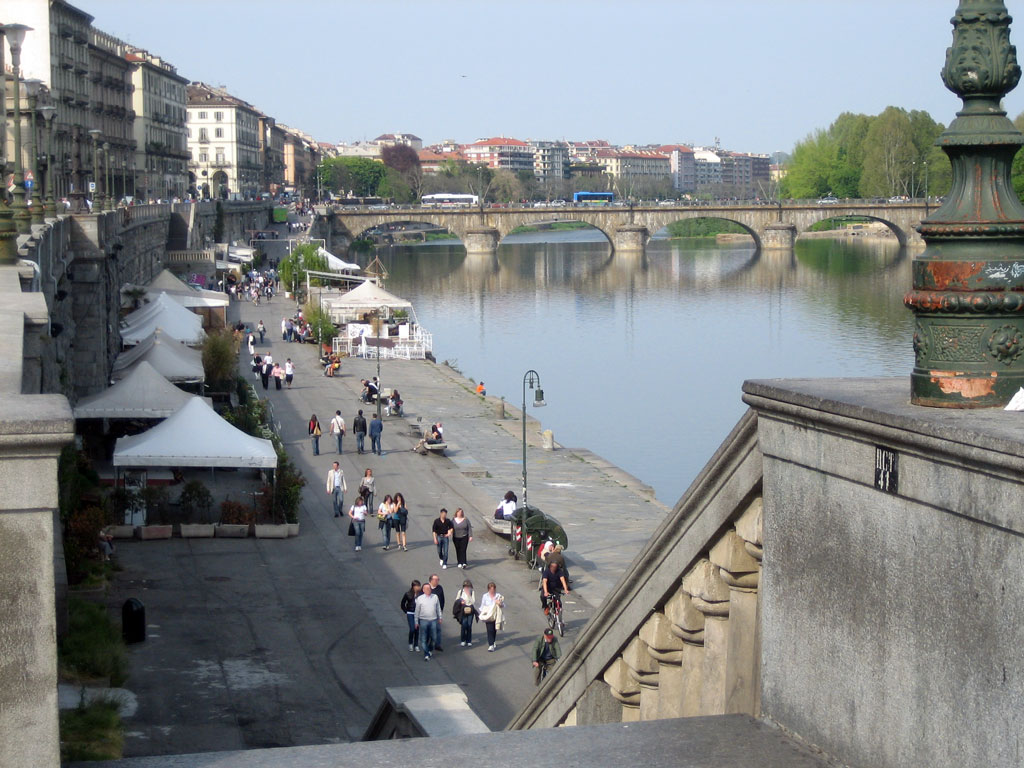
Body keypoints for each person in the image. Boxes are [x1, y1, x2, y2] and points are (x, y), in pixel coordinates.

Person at [415, 583, 442, 661]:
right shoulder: (420, 599)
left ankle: (429, 649)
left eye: (429, 588)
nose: (428, 590)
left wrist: (440, 617)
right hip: (423, 620)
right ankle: (426, 654)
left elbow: (438, 608)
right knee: (424, 638)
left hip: (433, 620)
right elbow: (417, 611)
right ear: (423, 590)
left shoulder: (435, 597)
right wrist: (416, 621)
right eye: (426, 589)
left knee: (434, 637)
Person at [478, 582, 505, 651]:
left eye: (494, 590)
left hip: (495, 615)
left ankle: (493, 641)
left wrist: (500, 603)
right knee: (489, 629)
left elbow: (503, 605)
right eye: (491, 590)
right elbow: (482, 605)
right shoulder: (485, 596)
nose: (492, 591)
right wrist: (481, 614)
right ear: (488, 589)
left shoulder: (498, 596)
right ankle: (491, 645)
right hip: (488, 615)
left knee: (494, 630)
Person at [452, 579, 477, 647]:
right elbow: (457, 600)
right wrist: (461, 601)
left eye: (468, 586)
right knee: (464, 625)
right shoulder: (460, 592)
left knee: (469, 625)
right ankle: (463, 640)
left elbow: (473, 602)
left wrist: (469, 595)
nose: (466, 588)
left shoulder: (472, 592)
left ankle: (469, 641)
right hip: (463, 610)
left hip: (470, 610)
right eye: (465, 586)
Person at [427, 573, 446, 651]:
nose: (437, 581)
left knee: (438, 629)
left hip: (437, 613)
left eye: (438, 580)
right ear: (431, 580)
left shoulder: (439, 588)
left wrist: (440, 610)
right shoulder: (426, 588)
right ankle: (428, 643)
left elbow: (442, 600)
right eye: (436, 580)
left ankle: (437, 644)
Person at [401, 580, 422, 652]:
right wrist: (406, 611)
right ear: (414, 586)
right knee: (412, 628)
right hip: (410, 613)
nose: (419, 587)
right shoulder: (408, 594)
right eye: (417, 586)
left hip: (418, 614)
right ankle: (410, 643)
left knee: (417, 629)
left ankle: (416, 645)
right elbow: (402, 604)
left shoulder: (421, 594)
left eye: (419, 586)